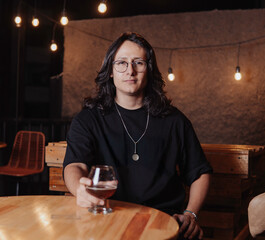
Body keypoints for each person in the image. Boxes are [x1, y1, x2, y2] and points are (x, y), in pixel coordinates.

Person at [63, 32, 212, 240]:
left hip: (163, 222)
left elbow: (199, 172)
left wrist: (191, 214)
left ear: (148, 70)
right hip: (108, 216)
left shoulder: (175, 121)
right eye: (121, 63)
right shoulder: (88, 119)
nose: (130, 71)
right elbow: (75, 165)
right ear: (111, 71)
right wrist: (80, 188)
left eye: (138, 63)